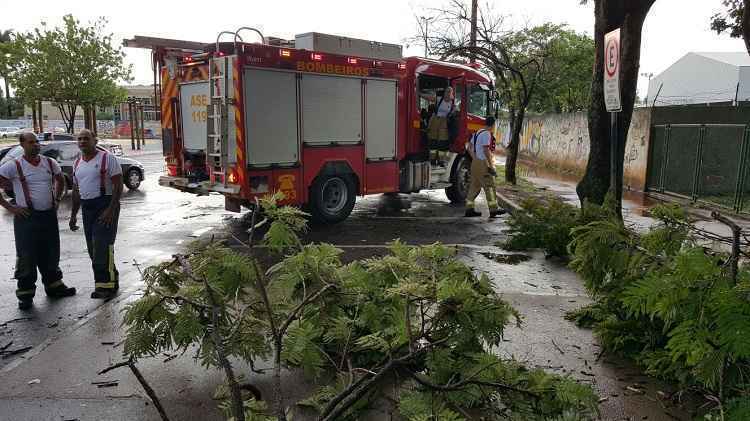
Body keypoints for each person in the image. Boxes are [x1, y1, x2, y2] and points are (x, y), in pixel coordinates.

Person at [0, 132, 76, 310]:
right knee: (27, 256)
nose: (36, 145)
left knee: (51, 251)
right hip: (26, 217)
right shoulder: (14, 166)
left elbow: (60, 179)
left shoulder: (49, 163)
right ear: (22, 144)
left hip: (48, 216)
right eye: (31, 142)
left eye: (37, 142)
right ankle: (25, 295)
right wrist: (11, 208)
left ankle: (54, 286)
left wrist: (57, 199)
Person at [69, 129, 123, 300]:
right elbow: (76, 191)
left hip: (105, 205)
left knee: (101, 245)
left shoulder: (107, 158)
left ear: (95, 140)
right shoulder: (77, 163)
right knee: (94, 249)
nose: (83, 141)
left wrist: (111, 209)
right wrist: (73, 215)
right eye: (80, 139)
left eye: (86, 138)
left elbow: (118, 185)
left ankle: (104, 286)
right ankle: (111, 278)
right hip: (87, 207)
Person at [465, 116, 505, 219]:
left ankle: (469, 209)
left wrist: (475, 158)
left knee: (474, 186)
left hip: (475, 163)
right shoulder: (487, 134)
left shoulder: (477, 132)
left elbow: (469, 147)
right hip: (483, 163)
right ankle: (493, 210)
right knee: (490, 186)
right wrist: (490, 165)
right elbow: (486, 150)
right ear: (493, 125)